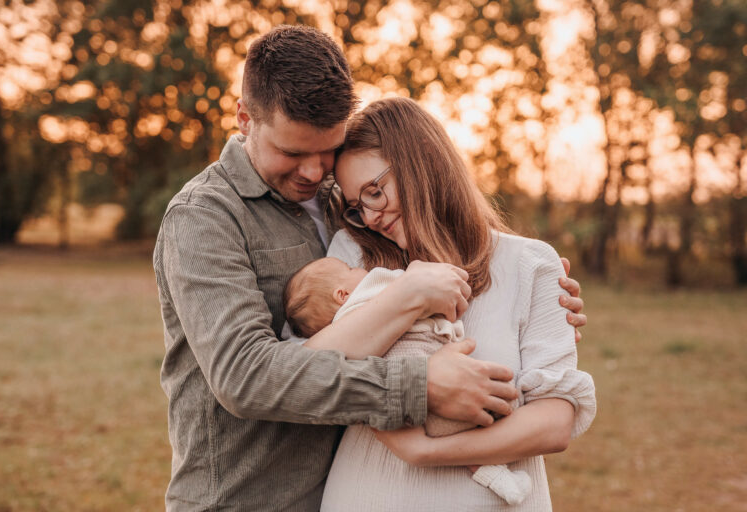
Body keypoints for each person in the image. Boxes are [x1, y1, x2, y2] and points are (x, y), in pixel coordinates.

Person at [153, 25, 587, 511]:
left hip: (339, 490)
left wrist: (542, 289)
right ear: (244, 120)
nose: (314, 172)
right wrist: (419, 386)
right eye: (293, 152)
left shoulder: (345, 206)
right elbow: (246, 378)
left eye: (327, 151)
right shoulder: (204, 218)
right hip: (248, 499)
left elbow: (439, 226)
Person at [318, 97, 597, 511]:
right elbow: (315, 370)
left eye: (375, 191)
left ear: (422, 163)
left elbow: (553, 422)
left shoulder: (530, 263)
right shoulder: (352, 256)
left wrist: (424, 451)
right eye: (358, 207)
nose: (371, 216)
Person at [284, 256, 535, 505]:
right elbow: (409, 283)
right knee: (502, 399)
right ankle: (493, 464)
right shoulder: (369, 294)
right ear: (342, 294)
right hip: (425, 374)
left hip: (416, 416)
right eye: (350, 268)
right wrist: (417, 274)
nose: (360, 268)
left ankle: (489, 469)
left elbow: (300, 354)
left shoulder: (340, 332)